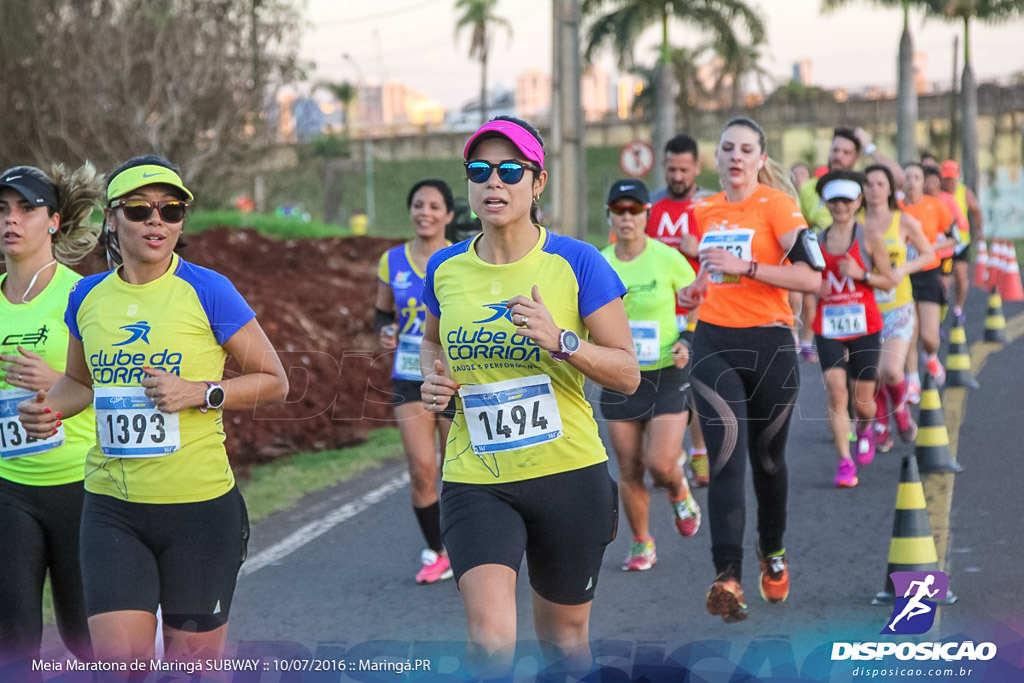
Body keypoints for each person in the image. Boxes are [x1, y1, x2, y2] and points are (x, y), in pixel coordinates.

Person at [18, 155, 289, 667]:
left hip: (199, 510)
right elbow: (80, 382)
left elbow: (275, 381)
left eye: (171, 210)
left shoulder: (208, 289)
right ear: (112, 218)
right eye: (140, 210)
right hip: (111, 510)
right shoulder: (86, 296)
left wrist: (201, 392)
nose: (157, 222)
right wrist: (48, 410)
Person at [418, 116, 639, 676]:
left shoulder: (577, 262)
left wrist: (563, 341)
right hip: (476, 477)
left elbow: (627, 373)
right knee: (490, 643)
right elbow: (427, 341)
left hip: (568, 474)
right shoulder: (445, 267)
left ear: (537, 183)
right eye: (480, 170)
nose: (494, 182)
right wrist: (435, 378)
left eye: (510, 170)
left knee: (564, 644)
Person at [678, 117, 823, 623]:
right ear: (715, 159)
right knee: (725, 459)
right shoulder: (704, 211)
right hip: (714, 342)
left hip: (771, 347)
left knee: (766, 461)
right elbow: (712, 272)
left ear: (761, 159)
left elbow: (813, 277)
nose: (735, 157)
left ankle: (773, 549)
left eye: (746, 149)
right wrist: (697, 289)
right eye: (727, 149)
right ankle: (728, 577)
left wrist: (749, 269)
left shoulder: (779, 207)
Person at [0, 164, 102, 666]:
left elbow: (123, 387)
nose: (11, 220)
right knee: (13, 636)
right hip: (7, 486)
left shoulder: (83, 295)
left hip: (78, 484)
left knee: (85, 636)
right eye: (2, 210)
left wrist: (58, 385)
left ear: (54, 221)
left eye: (26, 209)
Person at [598, 179, 699, 573]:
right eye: (619, 210)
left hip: (666, 372)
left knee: (659, 462)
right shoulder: (600, 262)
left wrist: (688, 337)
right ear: (610, 215)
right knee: (629, 468)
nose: (627, 218)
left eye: (634, 210)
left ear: (647, 214)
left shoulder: (666, 257)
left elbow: (697, 302)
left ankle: (678, 488)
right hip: (619, 375)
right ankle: (642, 542)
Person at [374, 179, 456, 584]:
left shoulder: (460, 260)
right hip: (409, 377)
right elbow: (381, 312)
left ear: (449, 216)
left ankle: (470, 542)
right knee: (423, 469)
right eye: (418, 205)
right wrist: (385, 331)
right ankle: (437, 550)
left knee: (459, 468)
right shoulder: (392, 261)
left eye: (434, 206)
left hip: (456, 378)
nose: (425, 213)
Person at [811, 171, 894, 488]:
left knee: (863, 402)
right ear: (826, 203)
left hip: (864, 324)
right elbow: (807, 283)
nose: (840, 206)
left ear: (858, 201)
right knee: (835, 392)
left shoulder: (869, 236)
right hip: (829, 323)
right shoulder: (816, 240)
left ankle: (864, 426)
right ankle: (845, 462)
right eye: (834, 200)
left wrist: (862, 274)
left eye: (846, 200)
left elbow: (888, 280)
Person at [795, 128, 904, 363]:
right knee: (838, 385)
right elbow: (797, 232)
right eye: (835, 149)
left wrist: (870, 147)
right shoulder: (810, 189)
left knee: (873, 375)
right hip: (831, 290)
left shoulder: (865, 184)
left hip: (866, 285)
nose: (838, 156)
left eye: (846, 152)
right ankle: (805, 342)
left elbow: (897, 177)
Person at [644, 133, 711, 486]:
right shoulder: (651, 206)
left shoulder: (712, 205)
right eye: (672, 169)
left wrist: (698, 249)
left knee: (699, 381)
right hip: (659, 311)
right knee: (666, 383)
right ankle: (669, 454)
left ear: (697, 167)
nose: (678, 177)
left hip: (701, 308)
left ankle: (699, 451)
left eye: (684, 169)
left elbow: (727, 258)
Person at [862, 164, 933, 453]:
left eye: (881, 184)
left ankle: (900, 408)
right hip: (864, 308)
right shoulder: (855, 222)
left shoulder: (902, 221)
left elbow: (928, 253)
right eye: (869, 184)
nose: (874, 189)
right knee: (871, 373)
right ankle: (882, 422)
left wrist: (903, 268)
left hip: (898, 306)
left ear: (891, 189)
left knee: (891, 370)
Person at [900, 163, 955, 397]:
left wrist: (932, 247)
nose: (912, 181)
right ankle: (912, 379)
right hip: (903, 275)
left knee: (929, 337)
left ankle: (931, 357)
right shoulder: (896, 208)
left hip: (929, 272)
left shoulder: (936, 207)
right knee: (910, 331)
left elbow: (955, 239)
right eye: (908, 177)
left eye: (916, 177)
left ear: (923, 182)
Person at [940, 160, 985, 322]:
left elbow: (976, 211)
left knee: (960, 277)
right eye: (946, 178)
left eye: (951, 178)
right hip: (943, 247)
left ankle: (958, 308)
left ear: (957, 177)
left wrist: (979, 230)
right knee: (944, 281)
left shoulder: (964, 192)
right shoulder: (937, 193)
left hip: (961, 245)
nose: (949, 182)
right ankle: (940, 312)